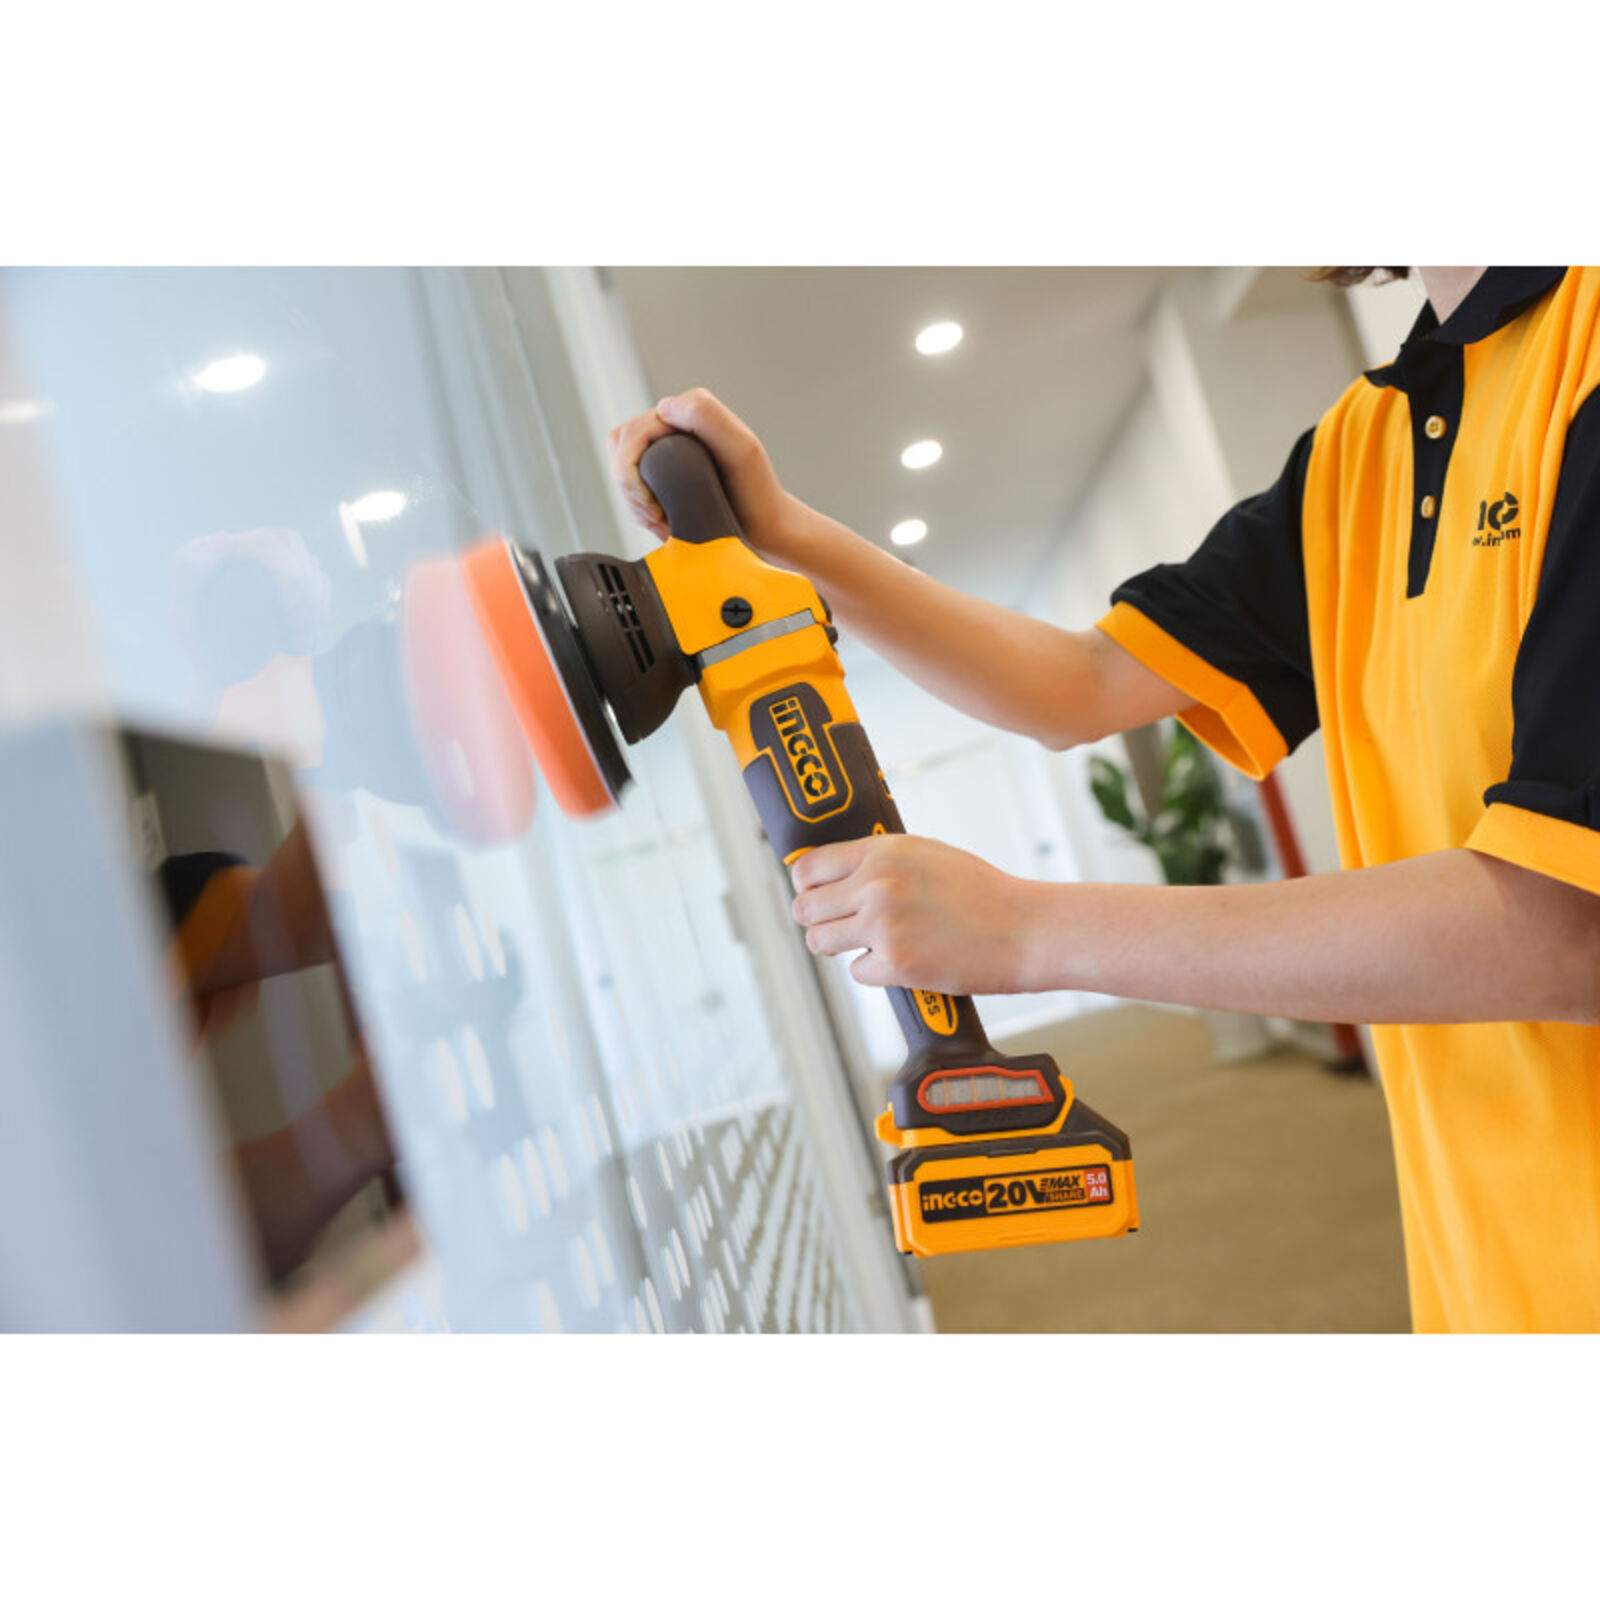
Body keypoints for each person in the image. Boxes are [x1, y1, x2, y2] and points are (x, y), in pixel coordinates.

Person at [607, 266, 1600, 1335]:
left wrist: (1026, 929)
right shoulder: (1366, 445)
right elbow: (1081, 683)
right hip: (1492, 1267)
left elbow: (1565, 932)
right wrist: (781, 533)